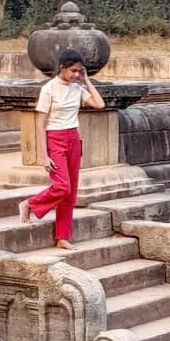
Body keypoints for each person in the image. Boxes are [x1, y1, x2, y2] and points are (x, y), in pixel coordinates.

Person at [18, 49, 105, 248]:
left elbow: (100, 104)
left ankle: (62, 237)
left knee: (71, 192)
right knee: (62, 186)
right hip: (55, 138)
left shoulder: (77, 88)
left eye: (79, 71)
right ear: (62, 68)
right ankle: (29, 204)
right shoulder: (49, 89)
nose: (76, 74)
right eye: (73, 70)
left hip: (73, 138)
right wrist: (44, 155)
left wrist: (86, 81)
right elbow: (40, 124)